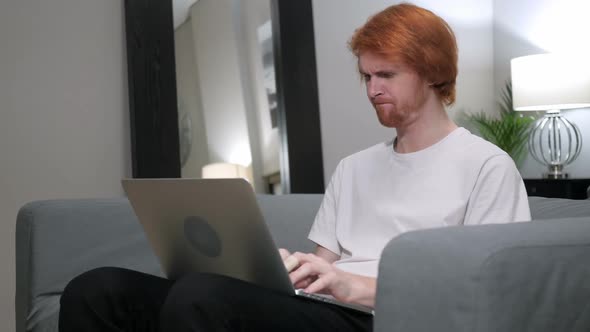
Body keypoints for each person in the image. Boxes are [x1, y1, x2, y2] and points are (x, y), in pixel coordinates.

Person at [58, 3, 531, 332]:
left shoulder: (485, 166)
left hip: (379, 320)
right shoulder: (354, 168)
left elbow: (486, 292)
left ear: (433, 72)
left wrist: (355, 285)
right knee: (98, 289)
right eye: (367, 75)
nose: (371, 89)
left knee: (201, 298)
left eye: (386, 74)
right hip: (322, 310)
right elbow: (324, 267)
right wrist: (292, 271)